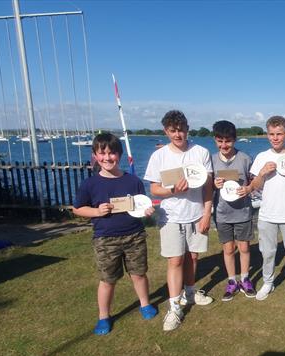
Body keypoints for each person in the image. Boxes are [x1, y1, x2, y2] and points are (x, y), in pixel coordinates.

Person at [73, 133, 157, 335]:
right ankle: (104, 316)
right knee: (108, 279)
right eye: (102, 153)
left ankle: (145, 304)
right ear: (95, 156)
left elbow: (140, 205)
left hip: (135, 236)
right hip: (105, 239)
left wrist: (146, 212)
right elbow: (77, 209)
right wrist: (96, 211)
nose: (107, 158)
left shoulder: (133, 181)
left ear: (118, 155)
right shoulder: (90, 184)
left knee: (138, 274)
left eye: (112, 153)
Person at [144, 110, 214, 332]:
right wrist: (173, 190)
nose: (178, 134)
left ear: (187, 128)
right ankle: (174, 307)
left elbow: (208, 187)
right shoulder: (160, 156)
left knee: (193, 256)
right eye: (173, 131)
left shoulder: (201, 152)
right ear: (166, 131)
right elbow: (154, 189)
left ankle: (191, 293)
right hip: (171, 216)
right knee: (175, 260)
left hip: (196, 215)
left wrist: (206, 214)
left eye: (181, 129)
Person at [249, 116, 285, 301]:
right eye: (272, 134)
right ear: (267, 135)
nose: (275, 138)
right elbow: (255, 186)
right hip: (267, 213)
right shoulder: (262, 157)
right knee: (267, 252)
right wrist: (262, 173)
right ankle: (268, 282)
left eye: (279, 134)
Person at [211, 120, 256, 301]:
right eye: (220, 141)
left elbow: (254, 181)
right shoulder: (212, 160)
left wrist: (249, 188)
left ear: (235, 140)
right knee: (228, 249)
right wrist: (214, 184)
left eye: (228, 141)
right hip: (222, 213)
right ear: (215, 140)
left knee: (244, 247)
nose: (224, 145)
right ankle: (232, 281)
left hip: (243, 211)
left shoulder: (245, 159)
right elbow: (207, 186)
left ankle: (245, 279)